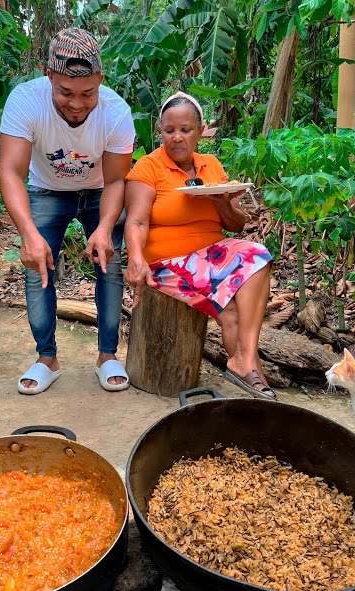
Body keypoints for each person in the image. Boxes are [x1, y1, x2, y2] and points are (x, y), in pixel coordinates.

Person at [0, 27, 135, 395]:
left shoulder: (116, 112)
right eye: (65, 92)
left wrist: (106, 227)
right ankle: (47, 359)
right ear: (48, 77)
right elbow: (10, 171)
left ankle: (107, 356)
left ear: (100, 81)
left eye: (87, 93)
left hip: (99, 190)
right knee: (36, 267)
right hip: (46, 190)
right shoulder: (25, 101)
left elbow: (118, 180)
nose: (76, 103)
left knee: (109, 263)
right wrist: (29, 236)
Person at [123, 92, 277, 400]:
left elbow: (236, 224)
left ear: (201, 130)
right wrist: (136, 258)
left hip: (212, 257)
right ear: (160, 131)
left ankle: (242, 361)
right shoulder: (147, 168)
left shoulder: (211, 165)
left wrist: (222, 202)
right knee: (230, 309)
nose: (176, 137)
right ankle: (249, 367)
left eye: (185, 130)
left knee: (258, 255)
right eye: (169, 131)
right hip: (169, 263)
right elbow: (137, 222)